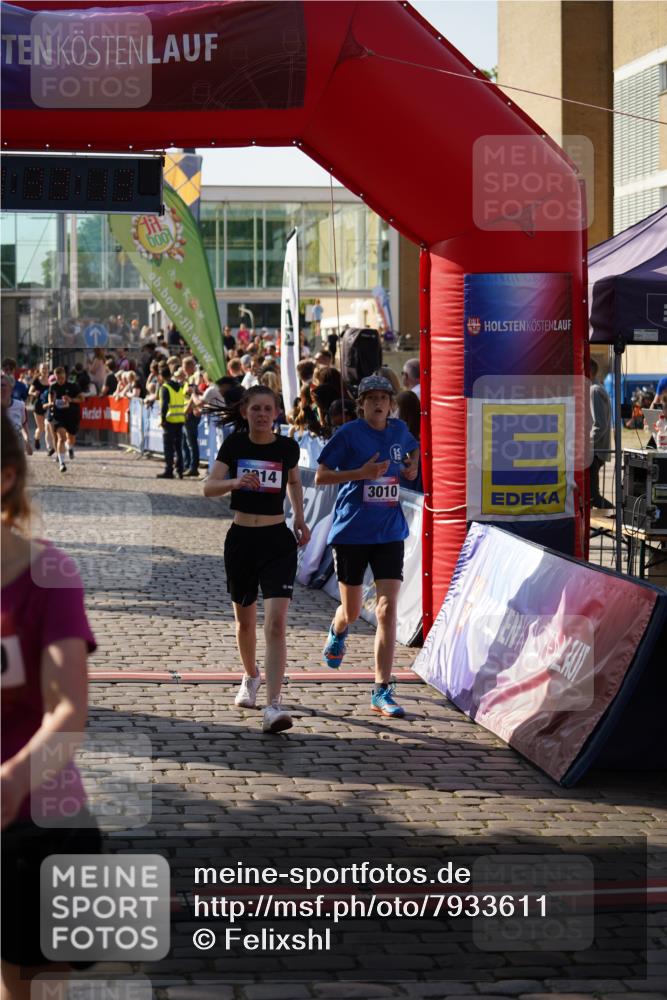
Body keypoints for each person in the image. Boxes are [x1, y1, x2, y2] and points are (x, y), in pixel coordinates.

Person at [1, 412, 101, 1000]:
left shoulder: (48, 574)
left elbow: (68, 712)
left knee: (36, 991)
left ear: (5, 477)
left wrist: (13, 779)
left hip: (42, 824)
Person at [203, 386, 310, 733]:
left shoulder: (286, 447)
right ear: (246, 412)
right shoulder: (235, 445)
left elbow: (294, 482)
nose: (262, 414)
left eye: (268, 409)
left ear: (277, 413)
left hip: (277, 540)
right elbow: (208, 487)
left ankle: (274, 705)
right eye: (256, 409)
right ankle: (251, 675)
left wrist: (299, 517)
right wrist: (236, 482)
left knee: (276, 623)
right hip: (241, 540)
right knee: (245, 623)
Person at [315, 374, 419, 717]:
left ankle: (382, 689)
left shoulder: (400, 432)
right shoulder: (349, 434)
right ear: (361, 403)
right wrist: (361, 473)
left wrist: (412, 465)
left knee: (388, 610)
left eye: (384, 397)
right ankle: (337, 629)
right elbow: (321, 476)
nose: (378, 402)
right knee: (354, 611)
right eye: (371, 397)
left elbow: (411, 450)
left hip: (389, 531)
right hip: (351, 533)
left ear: (392, 404)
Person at [48, 368, 83, 472]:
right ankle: (62, 463)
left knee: (71, 438)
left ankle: (70, 447)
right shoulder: (53, 387)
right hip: (58, 416)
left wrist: (71, 399)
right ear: (55, 377)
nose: (60, 380)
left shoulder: (73, 385)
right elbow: (50, 399)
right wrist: (52, 403)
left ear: (65, 376)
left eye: (62, 378)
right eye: (58, 378)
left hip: (71, 415)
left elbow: (82, 399)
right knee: (61, 438)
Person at [589, 358, 612, 508]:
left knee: (593, 497)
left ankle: (620, 517)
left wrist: (586, 444)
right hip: (596, 451)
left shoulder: (594, 390)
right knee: (591, 496)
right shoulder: (596, 388)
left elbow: (600, 424)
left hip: (595, 452)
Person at [157, 363, 186, 479]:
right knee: (178, 446)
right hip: (180, 419)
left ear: (161, 376)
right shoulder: (179, 386)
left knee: (168, 447)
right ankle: (180, 470)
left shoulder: (165, 387)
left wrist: (163, 419)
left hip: (169, 420)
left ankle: (169, 470)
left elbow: (164, 405)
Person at [1, 375, 33, 455]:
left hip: (16, 441)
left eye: (3, 385)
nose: (1, 388)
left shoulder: (20, 405)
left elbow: (24, 424)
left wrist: (27, 441)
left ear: (11, 389)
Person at [28, 362, 51, 451]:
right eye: (43, 368)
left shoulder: (50, 381)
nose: (45, 370)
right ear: (40, 370)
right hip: (37, 406)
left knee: (47, 426)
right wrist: (34, 393)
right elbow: (29, 392)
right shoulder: (36, 380)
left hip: (47, 406)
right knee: (41, 428)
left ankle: (50, 447)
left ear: (48, 370)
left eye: (46, 368)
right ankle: (36, 438)